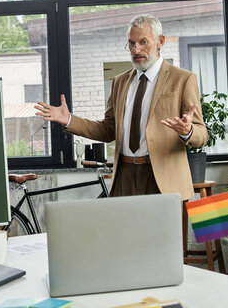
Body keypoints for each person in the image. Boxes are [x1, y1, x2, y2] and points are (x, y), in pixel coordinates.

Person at [35, 14, 207, 200]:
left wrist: (188, 131)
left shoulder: (183, 79)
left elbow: (202, 134)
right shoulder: (120, 82)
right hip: (124, 175)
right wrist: (69, 120)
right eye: (131, 43)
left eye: (143, 42)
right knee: (123, 230)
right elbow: (108, 130)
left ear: (160, 41)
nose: (136, 49)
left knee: (164, 231)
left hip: (163, 179)